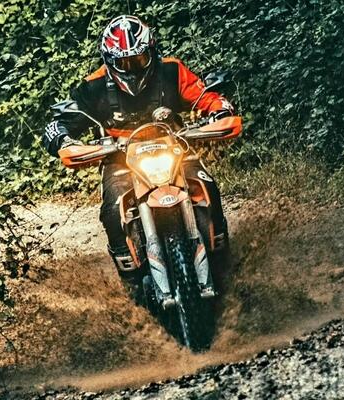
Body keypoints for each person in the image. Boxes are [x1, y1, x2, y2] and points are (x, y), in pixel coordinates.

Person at [43, 15, 234, 295]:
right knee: (112, 210)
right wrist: (61, 138)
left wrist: (219, 109)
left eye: (139, 59)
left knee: (207, 186)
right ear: (109, 62)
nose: (131, 68)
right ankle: (131, 280)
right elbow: (63, 120)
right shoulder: (93, 87)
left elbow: (203, 95)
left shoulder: (171, 71)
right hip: (120, 157)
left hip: (174, 145)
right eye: (123, 63)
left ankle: (221, 256)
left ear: (151, 52)